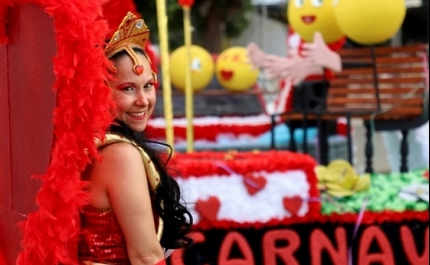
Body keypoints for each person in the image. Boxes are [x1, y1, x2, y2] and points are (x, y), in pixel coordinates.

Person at [78, 12, 193, 265]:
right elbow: (145, 257)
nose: (143, 100)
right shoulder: (119, 154)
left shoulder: (95, 144)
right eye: (128, 88)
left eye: (148, 85)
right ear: (101, 93)